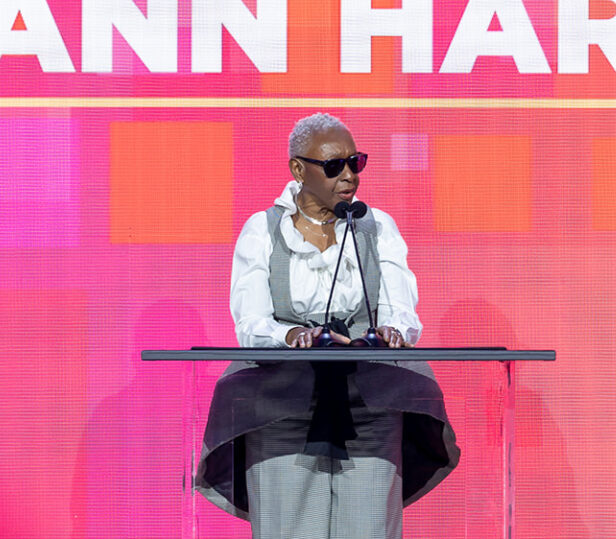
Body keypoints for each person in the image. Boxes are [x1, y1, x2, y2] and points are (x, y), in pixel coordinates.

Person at [197, 113, 459, 539]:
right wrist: (291, 336)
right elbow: (251, 322)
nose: (350, 176)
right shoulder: (262, 231)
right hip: (280, 404)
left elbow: (402, 313)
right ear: (299, 170)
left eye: (356, 162)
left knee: (370, 530)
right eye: (335, 165)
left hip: (371, 402)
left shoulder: (377, 227)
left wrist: (394, 331)